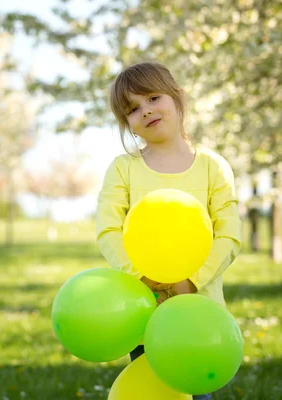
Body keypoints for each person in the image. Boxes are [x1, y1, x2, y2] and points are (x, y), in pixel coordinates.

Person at [96, 62, 242, 400]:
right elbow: (108, 230)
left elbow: (229, 235)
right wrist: (142, 276)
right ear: (127, 124)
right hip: (144, 311)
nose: (145, 111)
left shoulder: (212, 167)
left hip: (198, 312)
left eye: (152, 98)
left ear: (177, 97)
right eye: (132, 109)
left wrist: (190, 280)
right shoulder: (124, 169)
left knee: (195, 394)